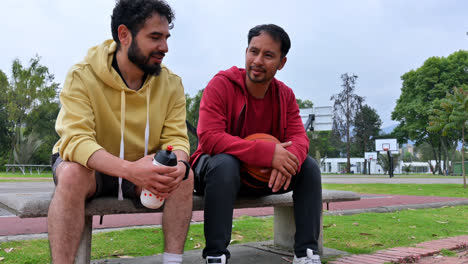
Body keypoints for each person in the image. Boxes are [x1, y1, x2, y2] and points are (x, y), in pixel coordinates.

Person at [47, 1, 193, 263]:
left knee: (184, 176)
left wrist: (180, 165)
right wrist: (128, 169)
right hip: (91, 168)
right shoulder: (82, 75)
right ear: (124, 35)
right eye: (155, 37)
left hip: (142, 170)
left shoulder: (172, 84)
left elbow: (176, 138)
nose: (165, 47)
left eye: (166, 37)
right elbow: (76, 141)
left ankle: (173, 261)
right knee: (71, 174)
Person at [190, 24, 323, 264]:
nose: (258, 60)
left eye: (268, 55)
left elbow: (300, 139)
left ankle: (306, 254)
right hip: (215, 173)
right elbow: (209, 137)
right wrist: (267, 153)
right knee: (225, 163)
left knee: (309, 167)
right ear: (246, 51)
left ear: (282, 62)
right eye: (253, 51)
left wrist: (285, 161)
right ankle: (215, 255)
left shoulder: (285, 95)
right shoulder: (221, 84)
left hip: (262, 177)